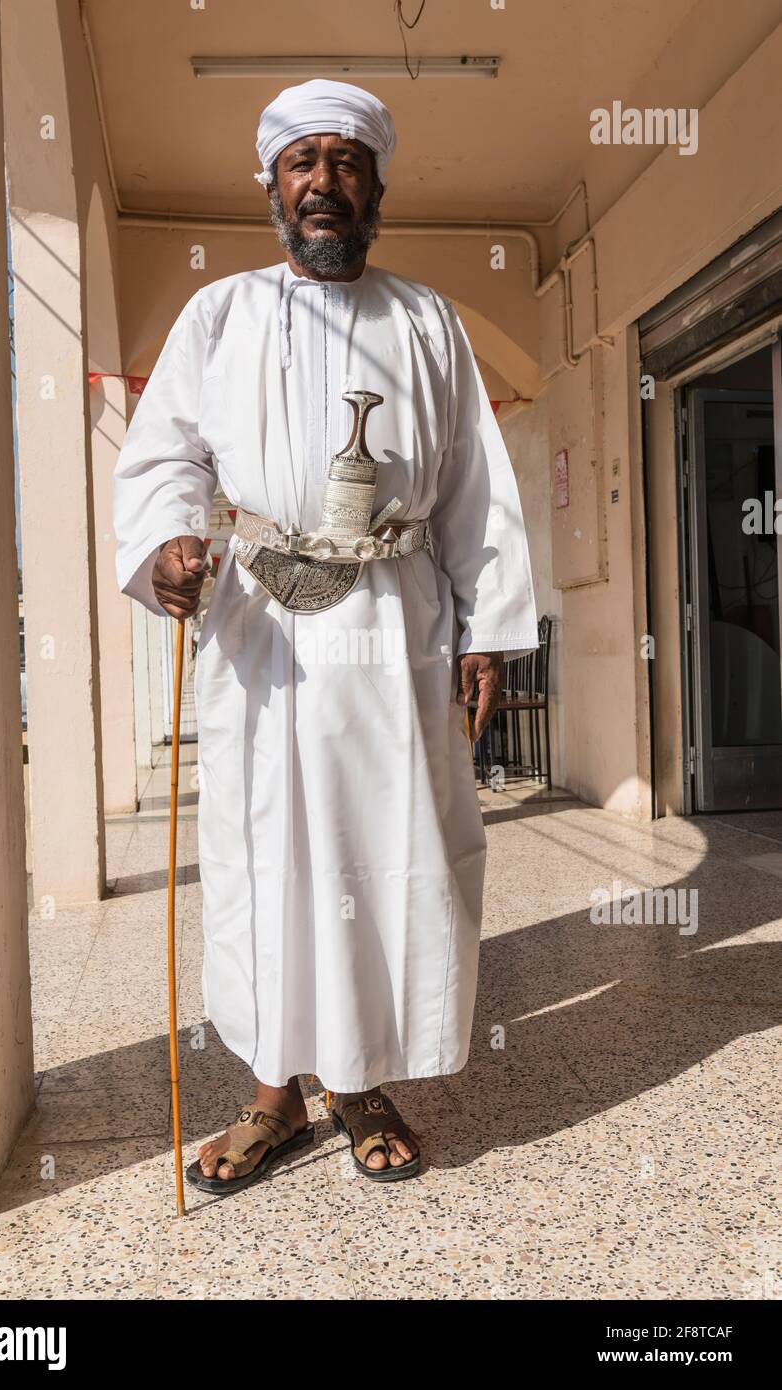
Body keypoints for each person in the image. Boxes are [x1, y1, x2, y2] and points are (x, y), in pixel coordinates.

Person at [112, 79, 538, 1191]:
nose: (323, 183)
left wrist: (485, 630)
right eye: (302, 163)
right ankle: (271, 1099)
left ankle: (357, 1084)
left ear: (377, 189)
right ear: (272, 185)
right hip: (262, 626)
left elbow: (473, 493)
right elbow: (165, 462)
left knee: (376, 851)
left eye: (346, 163)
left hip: (393, 628)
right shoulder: (219, 316)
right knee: (267, 856)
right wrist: (166, 546)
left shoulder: (425, 320)